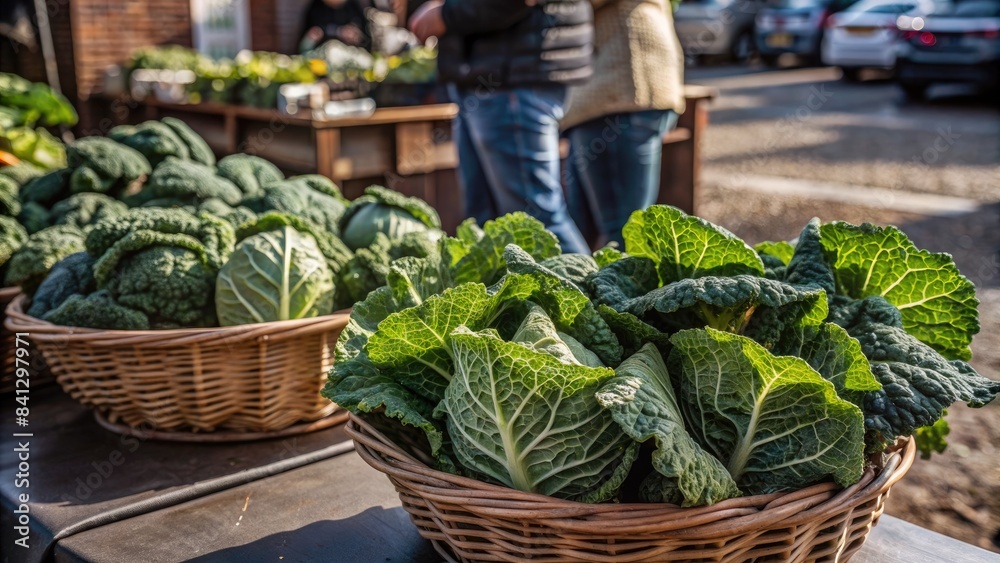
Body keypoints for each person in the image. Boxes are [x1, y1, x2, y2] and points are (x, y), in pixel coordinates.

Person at [408, 0, 594, 254]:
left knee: (537, 224)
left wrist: (447, 13)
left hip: (511, 76)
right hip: (487, 76)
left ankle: (592, 292)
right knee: (487, 228)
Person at [561, 0, 684, 249]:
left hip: (620, 90)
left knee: (623, 234)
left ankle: (629, 288)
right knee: (587, 226)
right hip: (622, 90)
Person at [300, 0, 373, 52]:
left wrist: (356, 35)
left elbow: (365, 35)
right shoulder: (316, 6)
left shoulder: (352, 6)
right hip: (321, 58)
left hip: (350, 56)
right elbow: (311, 32)